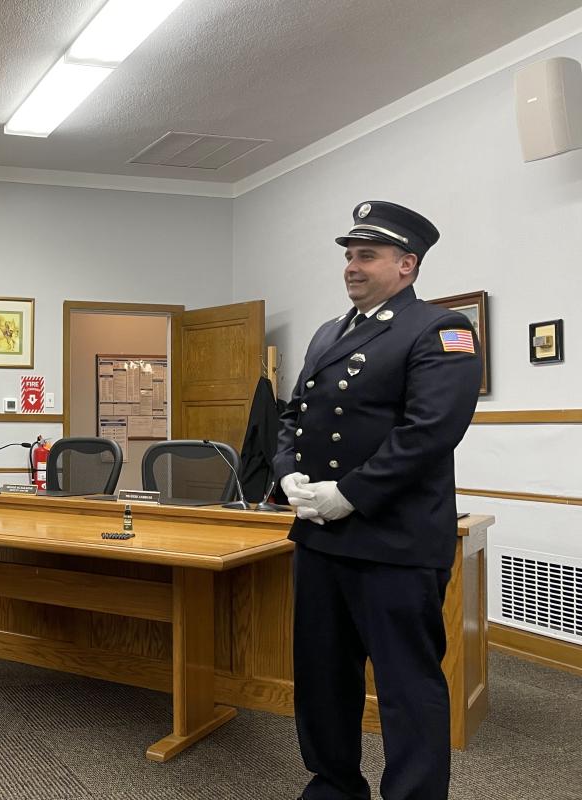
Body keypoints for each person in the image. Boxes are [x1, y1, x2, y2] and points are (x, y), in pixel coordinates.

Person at [273, 201, 482, 800]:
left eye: (367, 255)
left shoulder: (441, 330)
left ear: (407, 266)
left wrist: (350, 494)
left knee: (406, 685)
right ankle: (333, 784)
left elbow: (429, 431)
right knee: (322, 676)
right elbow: (294, 417)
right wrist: (288, 474)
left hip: (394, 539)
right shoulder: (327, 332)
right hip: (320, 535)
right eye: (348, 255)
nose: (351, 266)